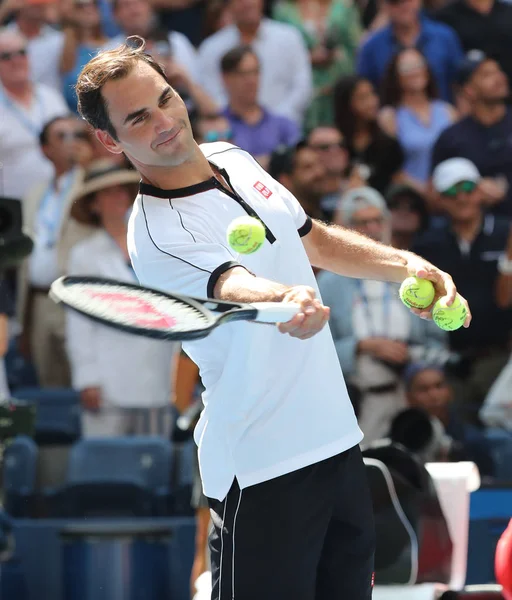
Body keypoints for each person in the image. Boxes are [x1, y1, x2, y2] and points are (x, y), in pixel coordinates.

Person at [75, 36, 471, 600]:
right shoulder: (158, 235)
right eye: (138, 118)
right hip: (261, 470)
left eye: (165, 98)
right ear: (108, 140)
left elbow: (312, 239)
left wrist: (402, 261)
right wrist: (285, 298)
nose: (164, 120)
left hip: (338, 445)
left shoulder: (233, 158)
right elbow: (232, 285)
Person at [317, 187, 447, 443]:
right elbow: (316, 348)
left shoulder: (411, 273)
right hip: (356, 396)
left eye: (378, 220)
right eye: (362, 222)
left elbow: (437, 337)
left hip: (410, 393)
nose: (372, 228)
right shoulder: (329, 282)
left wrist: (414, 359)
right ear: (346, 229)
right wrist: (362, 346)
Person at [66, 159, 180, 436]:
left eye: (122, 190)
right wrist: (87, 377)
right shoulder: (83, 255)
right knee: (105, 464)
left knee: (153, 462)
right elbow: (79, 322)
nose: (118, 197)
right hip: (108, 376)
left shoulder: (157, 244)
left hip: (158, 371)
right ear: (94, 204)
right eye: (108, 192)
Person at [414, 157, 512, 423]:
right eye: (451, 192)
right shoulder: (428, 244)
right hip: (450, 362)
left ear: (480, 191)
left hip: (502, 357)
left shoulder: (506, 232)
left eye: (468, 187)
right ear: (440, 200)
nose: (462, 198)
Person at [18, 115, 94, 387]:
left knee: (86, 381)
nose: (72, 142)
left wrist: (89, 165)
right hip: (38, 301)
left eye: (77, 134)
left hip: (76, 298)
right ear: (45, 150)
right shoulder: (36, 193)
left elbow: (102, 196)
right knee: (49, 385)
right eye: (61, 136)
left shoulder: (89, 183)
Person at [198, 0, 312, 124]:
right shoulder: (211, 48)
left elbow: (302, 86)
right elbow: (211, 92)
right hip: (230, 133)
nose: (248, 3)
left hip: (285, 131)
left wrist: (274, 123)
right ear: (228, 5)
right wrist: (240, 121)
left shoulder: (289, 38)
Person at [431, 51, 512, 218]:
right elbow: (433, 197)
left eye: (499, 71)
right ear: (468, 90)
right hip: (475, 231)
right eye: (487, 75)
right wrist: (473, 190)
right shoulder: (451, 138)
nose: (500, 78)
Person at [0, 28, 68, 201]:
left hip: (59, 199)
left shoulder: (51, 96)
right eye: (6, 56)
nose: (16, 61)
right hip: (12, 208)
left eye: (21, 53)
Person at [271, 0, 361, 130]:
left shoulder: (344, 6)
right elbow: (279, 53)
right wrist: (307, 58)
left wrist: (337, 54)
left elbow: (356, 45)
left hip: (339, 86)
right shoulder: (283, 10)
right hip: (303, 92)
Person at [379, 47, 456, 189]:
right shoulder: (389, 116)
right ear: (396, 75)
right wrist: (424, 192)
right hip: (412, 196)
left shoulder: (447, 110)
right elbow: (390, 168)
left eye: (419, 65)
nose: (415, 71)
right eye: (407, 68)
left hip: (452, 194)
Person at [356, 0, 463, 103]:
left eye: (408, 0)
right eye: (395, 1)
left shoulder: (444, 37)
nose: (403, 6)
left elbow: (460, 84)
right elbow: (364, 91)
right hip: (392, 119)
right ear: (383, 5)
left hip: (444, 116)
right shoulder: (371, 48)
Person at [220, 46, 300, 169]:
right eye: (243, 74)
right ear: (226, 78)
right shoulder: (217, 126)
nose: (251, 80)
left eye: (255, 72)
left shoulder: (283, 125)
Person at [333, 75, 405, 195]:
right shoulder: (334, 144)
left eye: (373, 94)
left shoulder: (388, 144)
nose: (372, 102)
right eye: (362, 98)